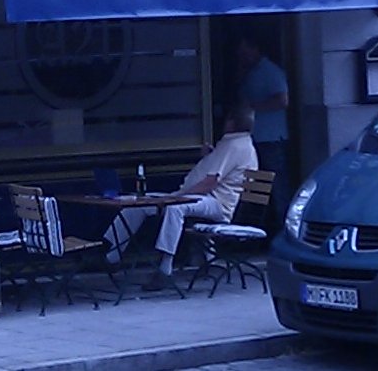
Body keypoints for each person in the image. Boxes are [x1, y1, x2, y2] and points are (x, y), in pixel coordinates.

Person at [103, 103, 258, 291]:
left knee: (175, 208)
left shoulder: (233, 145)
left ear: (231, 123)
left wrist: (180, 197)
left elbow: (210, 183)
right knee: (140, 203)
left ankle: (165, 269)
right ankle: (111, 256)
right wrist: (209, 157)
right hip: (205, 198)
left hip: (217, 203)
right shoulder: (239, 145)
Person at [236, 32, 291, 234]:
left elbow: (282, 100)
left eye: (245, 52)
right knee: (256, 186)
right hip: (255, 137)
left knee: (276, 186)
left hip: (270, 138)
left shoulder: (271, 72)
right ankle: (259, 229)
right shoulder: (251, 73)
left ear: (255, 49)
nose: (242, 56)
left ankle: (283, 229)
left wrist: (253, 107)